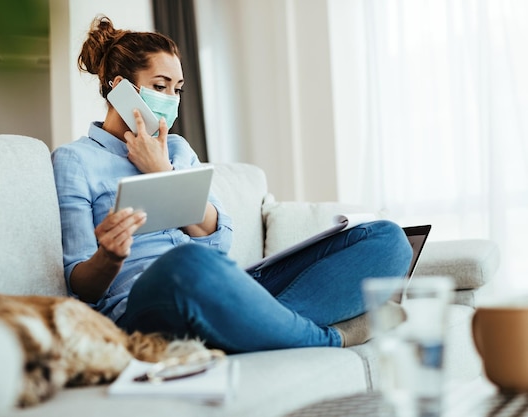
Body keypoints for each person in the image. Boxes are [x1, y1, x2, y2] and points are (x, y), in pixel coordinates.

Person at [51, 14, 413, 352]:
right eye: (160, 86)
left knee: (388, 240)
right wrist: (109, 257)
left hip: (221, 286)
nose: (171, 101)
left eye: (177, 89)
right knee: (185, 264)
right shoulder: (76, 161)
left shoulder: (176, 150)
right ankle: (325, 337)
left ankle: (254, 323)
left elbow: (220, 241)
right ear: (120, 89)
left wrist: (163, 172)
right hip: (145, 304)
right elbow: (79, 284)